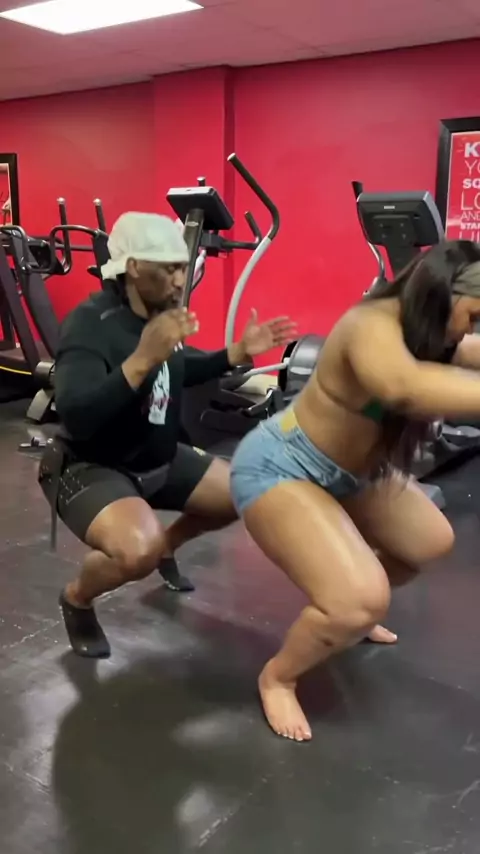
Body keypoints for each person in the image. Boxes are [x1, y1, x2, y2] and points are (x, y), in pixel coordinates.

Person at [230, 239, 480, 743]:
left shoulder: (428, 331)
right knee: (358, 602)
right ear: (442, 295)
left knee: (429, 542)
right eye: (472, 316)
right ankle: (279, 678)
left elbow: (470, 352)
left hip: (353, 475)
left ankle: (347, 603)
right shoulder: (370, 326)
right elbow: (405, 387)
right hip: (282, 465)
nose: (470, 330)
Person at [38, 211, 298, 659]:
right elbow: (78, 416)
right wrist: (141, 360)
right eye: (170, 269)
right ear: (134, 267)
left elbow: (177, 364)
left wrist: (234, 353)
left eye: (183, 267)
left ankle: (166, 548)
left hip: (157, 457)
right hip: (92, 465)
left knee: (243, 493)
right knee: (135, 552)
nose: (181, 280)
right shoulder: (89, 323)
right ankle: (77, 599)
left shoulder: (160, 314)